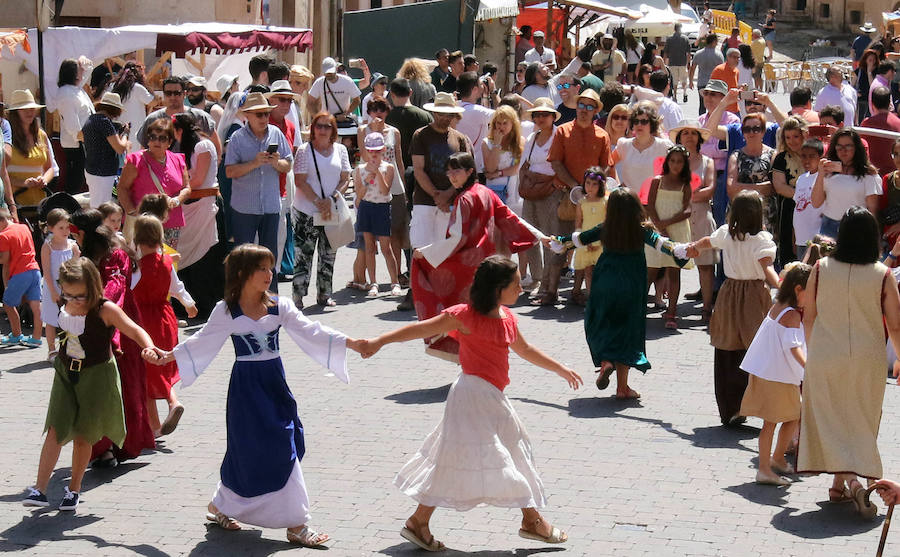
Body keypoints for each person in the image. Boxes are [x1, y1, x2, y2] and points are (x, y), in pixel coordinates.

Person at [360, 255, 580, 551]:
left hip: (491, 397)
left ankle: (421, 521)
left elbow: (525, 349)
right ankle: (531, 520)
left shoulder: (508, 318)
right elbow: (419, 329)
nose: (520, 288)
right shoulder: (463, 316)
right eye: (515, 284)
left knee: (501, 452)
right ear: (497, 288)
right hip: (470, 397)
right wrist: (379, 341)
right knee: (497, 455)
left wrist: (559, 368)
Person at [151, 244, 364, 545]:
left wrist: (351, 343)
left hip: (275, 385)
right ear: (242, 273)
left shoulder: (280, 306)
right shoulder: (226, 310)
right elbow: (200, 342)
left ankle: (295, 522)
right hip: (245, 389)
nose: (269, 274)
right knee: (246, 450)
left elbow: (311, 330)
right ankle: (223, 506)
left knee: (285, 442)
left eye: (270, 267)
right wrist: (166, 356)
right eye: (261, 268)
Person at [21, 257, 161, 512]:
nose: (73, 301)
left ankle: (73, 490)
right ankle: (39, 489)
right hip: (66, 372)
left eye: (80, 296)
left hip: (97, 375)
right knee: (55, 429)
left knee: (84, 437)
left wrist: (149, 347)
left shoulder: (105, 309)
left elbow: (134, 329)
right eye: (69, 294)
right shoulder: (65, 300)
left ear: (94, 287)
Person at [799, 207, 900, 517]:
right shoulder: (881, 275)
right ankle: (855, 483)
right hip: (867, 359)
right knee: (861, 420)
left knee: (833, 418)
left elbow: (810, 317)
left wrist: (814, 352)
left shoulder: (819, 267)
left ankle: (842, 484)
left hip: (826, 354)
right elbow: (896, 325)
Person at [551, 186, 690, 398]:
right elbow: (663, 245)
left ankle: (606, 360)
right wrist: (680, 250)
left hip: (605, 280)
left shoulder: (605, 227)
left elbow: (578, 239)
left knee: (603, 321)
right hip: (631, 284)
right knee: (627, 331)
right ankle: (622, 387)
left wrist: (559, 242)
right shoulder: (642, 229)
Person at [410, 152, 541, 358]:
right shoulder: (485, 192)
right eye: (449, 171)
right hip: (485, 265)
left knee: (463, 315)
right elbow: (509, 216)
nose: (452, 175)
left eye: (457, 170)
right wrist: (540, 237)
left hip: (465, 268)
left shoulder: (465, 198)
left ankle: (472, 358)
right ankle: (484, 355)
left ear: (470, 171)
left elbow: (457, 238)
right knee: (483, 312)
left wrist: (425, 253)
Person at [688, 191, 779, 425]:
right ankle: (757, 404)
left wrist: (694, 247)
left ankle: (731, 408)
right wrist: (782, 287)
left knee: (728, 347)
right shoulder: (761, 240)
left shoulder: (727, 234)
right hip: (753, 296)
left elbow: (709, 241)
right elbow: (767, 268)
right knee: (755, 348)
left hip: (729, 294)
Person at [538, 89, 612, 306]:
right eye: (581, 105)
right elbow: (556, 162)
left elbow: (605, 166)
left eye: (590, 107)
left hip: (592, 202)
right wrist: (574, 187)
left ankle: (578, 292)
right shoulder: (562, 131)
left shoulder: (602, 135)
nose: (584, 110)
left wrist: (593, 190)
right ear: (576, 107)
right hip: (564, 197)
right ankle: (550, 291)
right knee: (559, 243)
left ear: (596, 111)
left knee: (587, 244)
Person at [739, 263, 810, 486]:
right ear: (799, 290)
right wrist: (810, 369)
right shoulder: (792, 315)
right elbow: (794, 347)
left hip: (773, 373)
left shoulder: (778, 305)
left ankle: (777, 459)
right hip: (777, 376)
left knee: (793, 415)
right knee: (772, 423)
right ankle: (764, 469)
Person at [224, 92, 293, 287]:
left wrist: (276, 163)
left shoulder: (276, 133)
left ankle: (270, 303)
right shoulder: (237, 138)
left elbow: (288, 164)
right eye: (259, 114)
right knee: (243, 258)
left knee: (269, 257)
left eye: (266, 114)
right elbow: (229, 171)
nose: (264, 118)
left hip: (270, 205)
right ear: (247, 116)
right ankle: (242, 302)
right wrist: (254, 163)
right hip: (245, 207)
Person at [292, 112, 351, 309]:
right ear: (313, 129)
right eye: (319, 126)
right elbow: (299, 180)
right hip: (306, 210)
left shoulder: (341, 149)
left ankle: (324, 294)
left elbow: (345, 178)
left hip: (329, 210)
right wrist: (318, 201)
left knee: (328, 254)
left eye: (327, 126)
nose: (323, 130)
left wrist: (331, 198)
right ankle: (298, 296)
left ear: (333, 130)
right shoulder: (304, 150)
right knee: (303, 255)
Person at [171, 113, 224, 316]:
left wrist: (176, 192)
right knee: (186, 255)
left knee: (205, 255)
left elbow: (200, 178)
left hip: (204, 205)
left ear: (180, 131)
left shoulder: (203, 146)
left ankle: (205, 304)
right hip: (189, 206)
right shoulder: (187, 148)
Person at [118, 117, 191, 247]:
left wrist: (176, 200)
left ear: (169, 142)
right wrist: (132, 212)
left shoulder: (178, 160)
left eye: (162, 138)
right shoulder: (135, 160)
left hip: (171, 223)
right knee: (142, 263)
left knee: (168, 262)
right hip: (143, 223)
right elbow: (122, 188)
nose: (156, 141)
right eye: (152, 137)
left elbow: (186, 188)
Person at [672, 120, 717, 321]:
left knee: (706, 265)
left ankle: (707, 308)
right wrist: (692, 193)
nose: (689, 136)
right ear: (679, 137)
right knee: (673, 264)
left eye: (693, 133)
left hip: (701, 215)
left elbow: (710, 190)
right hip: (677, 217)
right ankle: (671, 308)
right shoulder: (672, 161)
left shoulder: (708, 161)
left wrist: (684, 195)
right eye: (685, 132)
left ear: (699, 138)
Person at [646, 146, 694, 329]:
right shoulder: (657, 181)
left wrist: (668, 223)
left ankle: (671, 312)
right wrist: (659, 226)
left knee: (674, 271)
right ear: (667, 162)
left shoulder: (685, 184)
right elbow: (649, 205)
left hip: (678, 232)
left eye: (680, 161)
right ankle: (637, 309)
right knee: (650, 270)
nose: (675, 165)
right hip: (657, 231)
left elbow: (687, 210)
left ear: (685, 164)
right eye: (672, 161)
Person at [519, 98, 560, 301]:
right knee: (530, 236)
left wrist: (546, 181)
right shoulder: (532, 138)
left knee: (550, 239)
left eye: (545, 114)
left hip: (550, 193)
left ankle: (548, 283)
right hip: (532, 193)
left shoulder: (558, 136)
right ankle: (536, 278)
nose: (540, 118)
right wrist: (527, 182)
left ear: (553, 117)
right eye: (537, 115)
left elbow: (559, 165)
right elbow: (524, 165)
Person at [354, 132, 402, 297]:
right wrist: (368, 178)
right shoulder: (359, 170)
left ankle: (394, 282)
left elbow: (385, 190)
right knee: (369, 247)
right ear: (366, 151)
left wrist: (378, 173)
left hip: (382, 207)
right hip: (366, 207)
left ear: (382, 150)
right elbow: (359, 195)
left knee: (386, 247)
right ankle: (373, 282)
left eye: (377, 150)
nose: (373, 154)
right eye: (370, 151)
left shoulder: (388, 167)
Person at [811, 128, 882, 237]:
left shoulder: (868, 174)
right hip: (829, 226)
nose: (843, 150)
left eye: (848, 146)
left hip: (857, 228)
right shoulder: (827, 171)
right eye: (839, 146)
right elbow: (816, 203)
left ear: (856, 148)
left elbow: (872, 211)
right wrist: (820, 174)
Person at [136, 77, 221, 156]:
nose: (172, 97)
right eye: (168, 93)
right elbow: (143, 149)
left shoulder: (200, 117)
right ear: (164, 95)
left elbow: (216, 145)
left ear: (184, 94)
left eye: (177, 93)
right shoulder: (152, 119)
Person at [6, 90, 58, 207]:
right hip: (14, 201)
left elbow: (50, 168)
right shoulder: (6, 137)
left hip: (39, 201)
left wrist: (44, 180)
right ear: (15, 113)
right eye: (24, 109)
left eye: (31, 108)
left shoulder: (41, 135)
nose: (29, 112)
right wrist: (23, 183)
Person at [40, 209, 80, 361]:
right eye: (60, 228)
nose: (65, 231)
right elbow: (47, 271)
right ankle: (51, 350)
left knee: (70, 318)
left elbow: (77, 267)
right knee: (51, 320)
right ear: (51, 228)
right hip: (53, 288)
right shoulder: (48, 247)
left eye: (67, 227)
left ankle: (70, 347)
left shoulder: (72, 245)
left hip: (69, 288)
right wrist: (52, 291)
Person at [727, 112, 777, 233]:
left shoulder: (773, 155)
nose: (751, 133)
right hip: (740, 212)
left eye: (756, 129)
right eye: (747, 129)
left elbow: (773, 187)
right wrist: (761, 187)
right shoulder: (736, 155)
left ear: (763, 131)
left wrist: (742, 187)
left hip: (765, 214)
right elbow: (731, 189)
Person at [0, 207, 42, 347]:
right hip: (35, 270)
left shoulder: (3, 236)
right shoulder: (23, 227)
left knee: (8, 304)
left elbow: (4, 260)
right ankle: (36, 338)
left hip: (20, 273)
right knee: (36, 306)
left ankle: (16, 335)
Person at [771, 117, 809, 266]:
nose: (792, 141)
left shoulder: (814, 155)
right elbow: (780, 186)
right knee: (790, 255)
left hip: (813, 209)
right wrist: (804, 197)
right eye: (787, 137)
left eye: (795, 136)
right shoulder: (781, 158)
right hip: (790, 209)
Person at [611, 102, 673, 194]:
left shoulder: (663, 145)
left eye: (644, 122)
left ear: (652, 124)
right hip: (629, 201)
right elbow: (609, 165)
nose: (639, 125)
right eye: (636, 121)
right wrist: (616, 185)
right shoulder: (623, 144)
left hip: (654, 202)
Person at [82, 92, 129, 208]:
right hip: (103, 172)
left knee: (97, 206)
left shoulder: (91, 120)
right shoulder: (104, 122)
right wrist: (126, 136)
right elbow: (120, 148)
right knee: (102, 208)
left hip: (92, 169)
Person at [55, 57, 94, 195]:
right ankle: (69, 211)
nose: (82, 72)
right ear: (73, 73)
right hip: (76, 143)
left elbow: (89, 68)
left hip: (84, 141)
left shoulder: (76, 89)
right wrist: (83, 137)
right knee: (75, 181)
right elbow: (72, 124)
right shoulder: (66, 93)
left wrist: (83, 62)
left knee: (82, 179)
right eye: (79, 69)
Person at [571, 167, 608, 306]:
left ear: (601, 185)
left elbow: (608, 222)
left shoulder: (606, 201)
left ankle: (602, 299)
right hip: (586, 241)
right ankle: (592, 300)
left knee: (602, 272)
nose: (590, 187)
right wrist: (583, 241)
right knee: (588, 272)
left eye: (594, 184)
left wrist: (600, 241)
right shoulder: (581, 202)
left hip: (602, 241)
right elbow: (579, 224)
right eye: (587, 183)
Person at [482, 105, 523, 204]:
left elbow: (518, 168)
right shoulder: (487, 143)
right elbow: (490, 168)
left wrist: (498, 173)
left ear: (512, 124)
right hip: (495, 192)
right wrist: (497, 144)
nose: (501, 127)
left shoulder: (520, 142)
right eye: (498, 123)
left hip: (515, 193)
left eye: (505, 123)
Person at [112, 62, 155, 153]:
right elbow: (153, 102)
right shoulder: (137, 88)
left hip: (115, 129)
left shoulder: (112, 86)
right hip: (135, 129)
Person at [456, 72, 494, 174]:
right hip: (476, 167)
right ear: (475, 89)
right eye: (480, 84)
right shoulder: (476, 111)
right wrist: (493, 92)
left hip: (457, 164)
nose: (483, 86)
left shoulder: (455, 106)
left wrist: (485, 96)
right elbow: (504, 116)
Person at [793, 139, 824, 262]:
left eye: (812, 156)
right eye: (804, 156)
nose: (807, 160)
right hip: (800, 238)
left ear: (820, 157)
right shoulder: (801, 179)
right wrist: (794, 237)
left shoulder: (823, 178)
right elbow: (797, 209)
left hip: (816, 238)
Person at [307, 57, 361, 126]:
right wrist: (318, 118)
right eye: (327, 73)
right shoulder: (319, 82)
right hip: (327, 121)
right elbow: (310, 103)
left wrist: (346, 113)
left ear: (336, 69)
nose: (329, 75)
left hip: (344, 119)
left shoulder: (347, 81)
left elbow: (357, 100)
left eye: (331, 72)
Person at [860, 87, 900, 176]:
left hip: (872, 175)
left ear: (872, 103)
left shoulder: (866, 124)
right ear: (889, 102)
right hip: (893, 177)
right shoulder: (898, 123)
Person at [690, 34, 724, 116]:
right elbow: (722, 70)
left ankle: (701, 123)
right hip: (714, 84)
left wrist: (691, 81)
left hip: (701, 83)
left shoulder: (698, 53)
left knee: (702, 105)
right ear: (714, 42)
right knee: (714, 105)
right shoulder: (719, 55)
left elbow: (693, 68)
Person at [665, 24, 692, 103]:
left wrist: (664, 62)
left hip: (672, 62)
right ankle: (684, 93)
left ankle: (675, 95)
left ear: (674, 29)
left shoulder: (669, 39)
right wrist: (688, 63)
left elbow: (666, 52)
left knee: (674, 80)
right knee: (683, 79)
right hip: (682, 62)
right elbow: (688, 53)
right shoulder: (685, 39)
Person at [854, 49, 879, 122]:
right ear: (865, 60)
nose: (872, 62)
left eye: (874, 60)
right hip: (861, 98)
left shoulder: (878, 71)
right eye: (870, 60)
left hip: (872, 98)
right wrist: (855, 92)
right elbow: (853, 84)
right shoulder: (860, 70)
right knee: (861, 119)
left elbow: (872, 86)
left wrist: (869, 72)